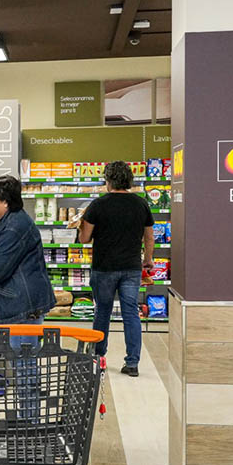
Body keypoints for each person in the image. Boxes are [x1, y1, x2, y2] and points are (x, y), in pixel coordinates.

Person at [0, 175, 56, 419]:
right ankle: (26, 416)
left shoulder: (14, 226)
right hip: (21, 301)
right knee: (24, 363)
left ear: (6, 202)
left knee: (25, 364)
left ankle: (28, 421)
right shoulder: (9, 221)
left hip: (23, 304)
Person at [78, 160, 155, 377]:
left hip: (104, 268)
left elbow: (85, 239)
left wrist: (81, 224)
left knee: (102, 311)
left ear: (108, 180)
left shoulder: (98, 205)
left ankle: (99, 358)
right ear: (129, 180)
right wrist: (148, 259)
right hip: (131, 267)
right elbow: (149, 236)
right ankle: (132, 363)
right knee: (131, 313)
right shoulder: (141, 204)